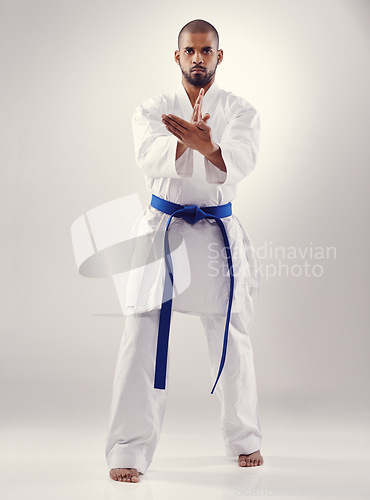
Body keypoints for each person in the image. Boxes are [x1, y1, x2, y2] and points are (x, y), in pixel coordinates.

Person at [106, 19, 264, 483]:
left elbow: (243, 159)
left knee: (232, 334)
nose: (199, 58)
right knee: (141, 335)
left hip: (216, 232)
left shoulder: (239, 110)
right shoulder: (152, 109)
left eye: (207, 50)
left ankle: (245, 437)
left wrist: (209, 147)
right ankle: (128, 448)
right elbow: (147, 156)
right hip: (164, 230)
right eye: (190, 51)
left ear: (219, 55)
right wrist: (184, 144)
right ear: (178, 57)